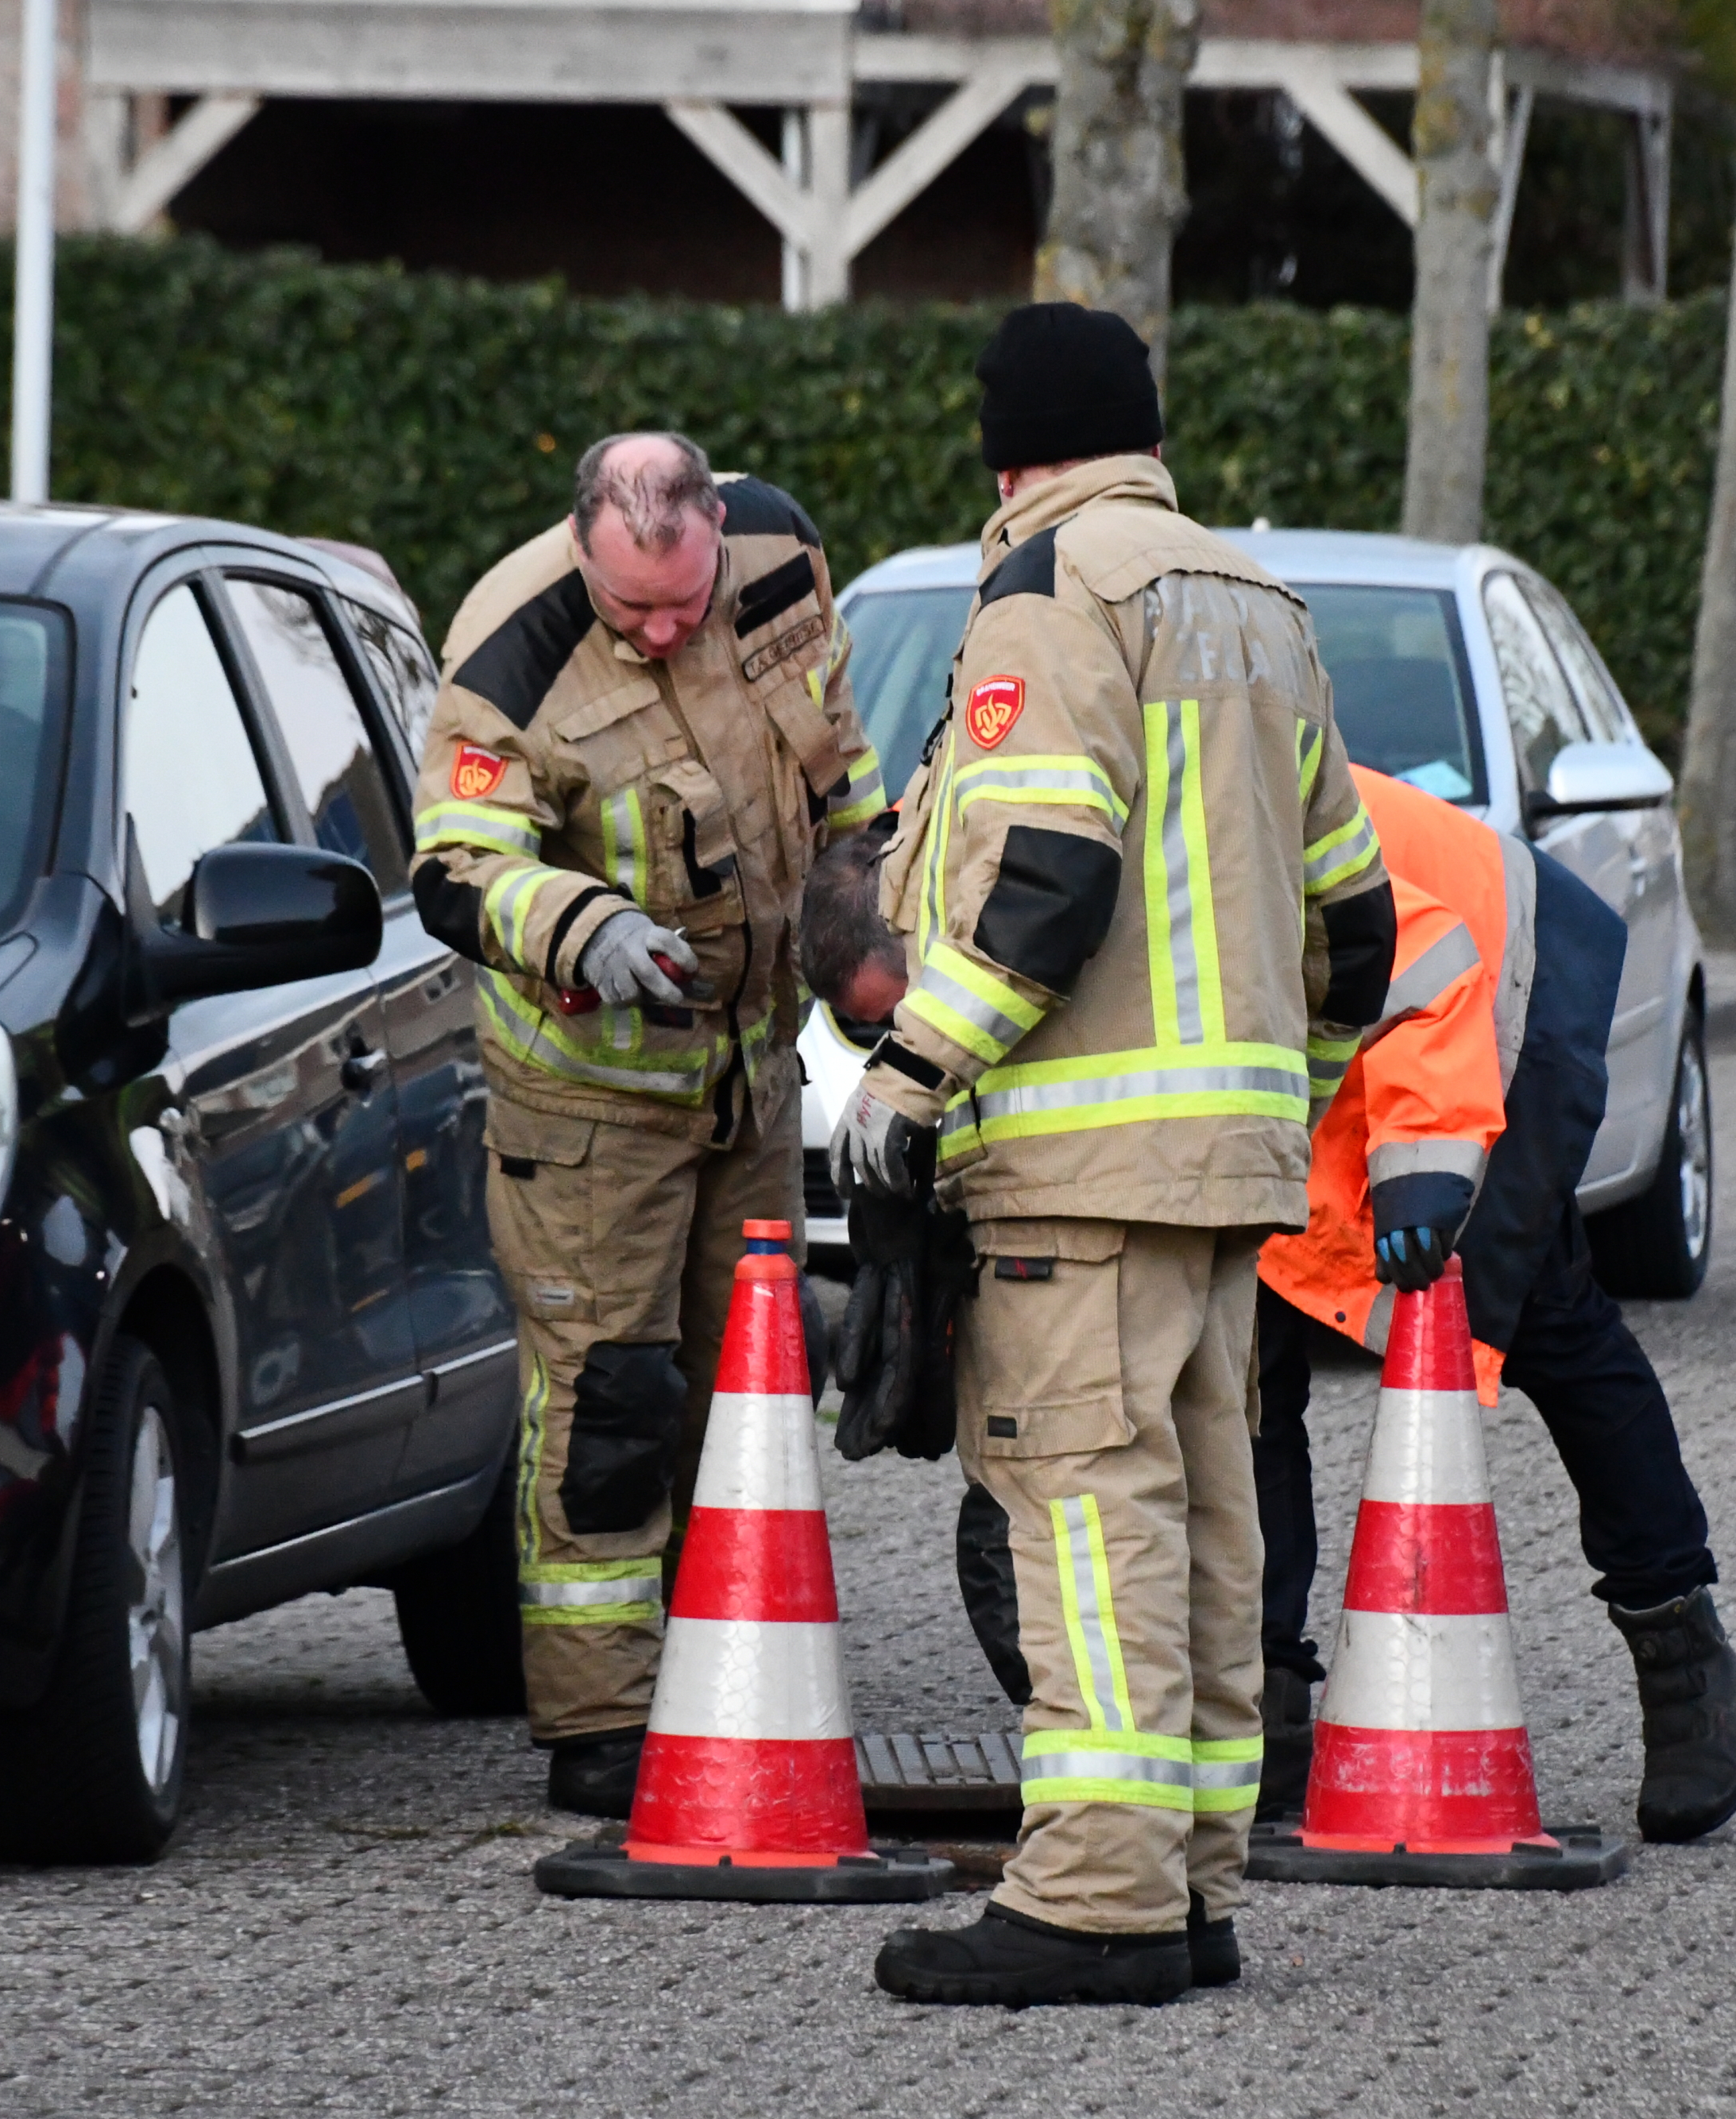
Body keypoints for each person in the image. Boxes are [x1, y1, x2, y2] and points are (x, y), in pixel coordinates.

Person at [829, 303, 1395, 2007]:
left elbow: (1046, 875)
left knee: (1085, 1516)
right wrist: (1273, 1096)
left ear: (1006, 453)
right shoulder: (1255, 604)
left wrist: (911, 1068)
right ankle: (1185, 1878)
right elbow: (1353, 921)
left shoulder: (1050, 594)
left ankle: (1089, 1894)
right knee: (1207, 1517)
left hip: (1075, 1179)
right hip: (1224, 1175)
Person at [408, 432, 883, 1819]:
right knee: (611, 1400)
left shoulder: (782, 557)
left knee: (750, 1384)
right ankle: (603, 1722)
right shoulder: (513, 644)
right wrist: (582, 920)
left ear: (716, 530)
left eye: (685, 602)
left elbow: (834, 775)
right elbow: (457, 868)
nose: (668, 631)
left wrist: (873, 927)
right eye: (636, 612)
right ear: (583, 553)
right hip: (592, 1104)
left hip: (750, 1076)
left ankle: (733, 1662)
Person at [1252, 766, 1736, 1843]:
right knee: (1245, 1368)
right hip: (1341, 1058)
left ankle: (1686, 1659)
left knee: (1549, 1325)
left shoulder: (1215, 792)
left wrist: (1423, 1161)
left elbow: (1419, 955)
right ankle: (1271, 1705)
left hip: (1491, 994)